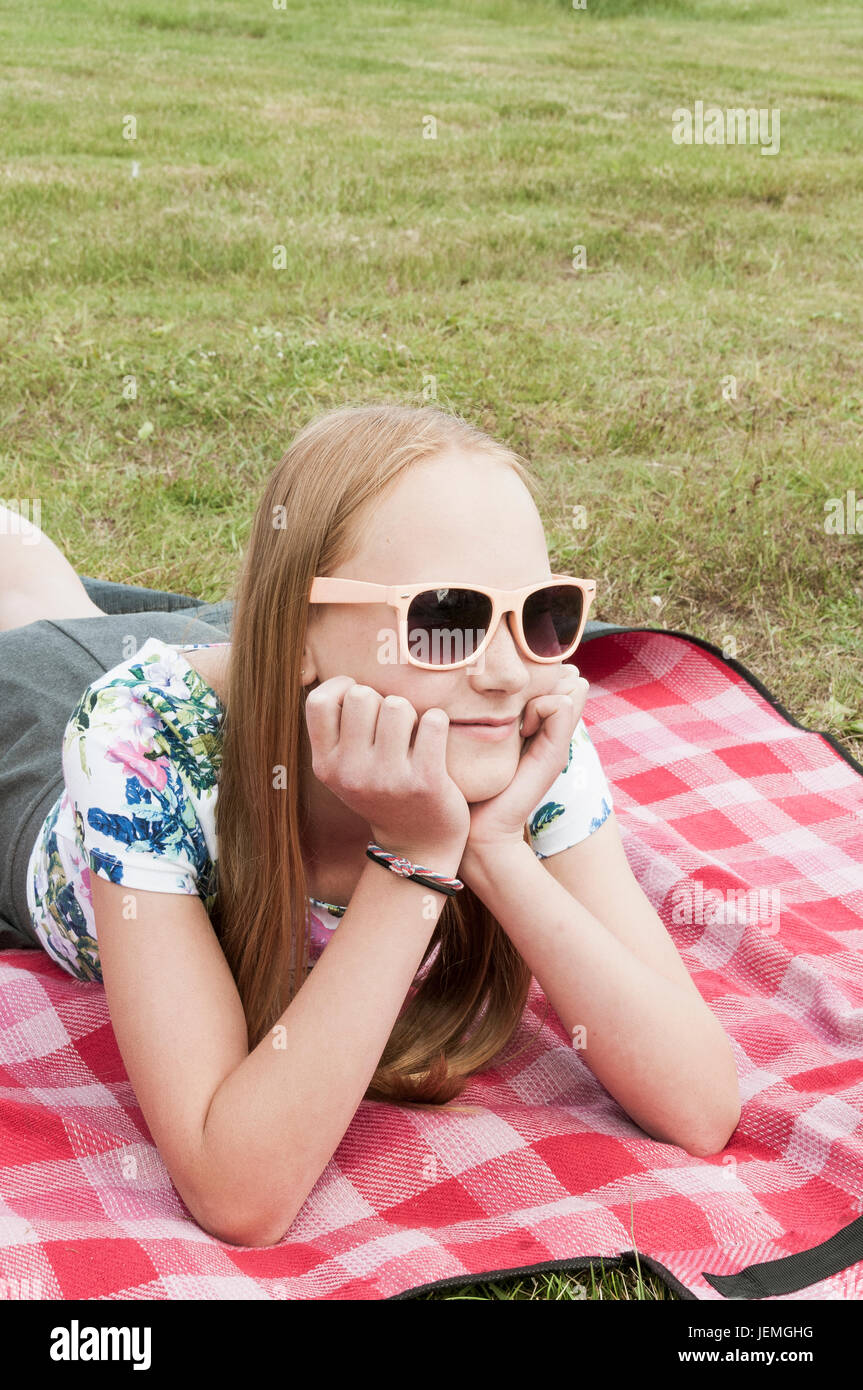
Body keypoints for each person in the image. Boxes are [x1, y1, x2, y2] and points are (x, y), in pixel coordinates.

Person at [0, 402, 740, 1247]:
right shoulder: (139, 742)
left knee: (70, 604)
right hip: (42, 739)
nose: (502, 671)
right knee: (34, 613)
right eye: (446, 616)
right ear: (297, 626)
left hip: (281, 666)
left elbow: (701, 1107)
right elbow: (237, 1193)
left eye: (539, 613)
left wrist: (490, 846)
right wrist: (418, 858)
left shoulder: (512, 722)